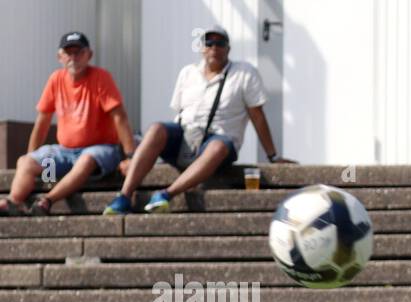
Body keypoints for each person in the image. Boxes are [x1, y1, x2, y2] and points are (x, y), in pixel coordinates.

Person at [104, 26, 288, 215]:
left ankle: (167, 194)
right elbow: (180, 113)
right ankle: (124, 196)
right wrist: (133, 158)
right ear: (201, 48)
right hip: (187, 138)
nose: (214, 48)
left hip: (219, 141)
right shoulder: (188, 72)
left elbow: (257, 115)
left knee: (218, 146)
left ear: (228, 49)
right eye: (209, 43)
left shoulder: (244, 73)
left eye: (220, 43)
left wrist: (272, 156)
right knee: (156, 128)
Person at [0, 31, 135, 216]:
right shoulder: (55, 79)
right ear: (60, 57)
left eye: (79, 52)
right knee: (25, 161)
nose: (74, 57)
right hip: (64, 152)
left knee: (86, 159)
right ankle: (14, 202)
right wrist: (34, 153)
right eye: (68, 53)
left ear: (89, 55)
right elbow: (43, 121)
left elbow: (119, 116)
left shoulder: (101, 77)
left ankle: (47, 200)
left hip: (100, 149)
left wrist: (130, 156)